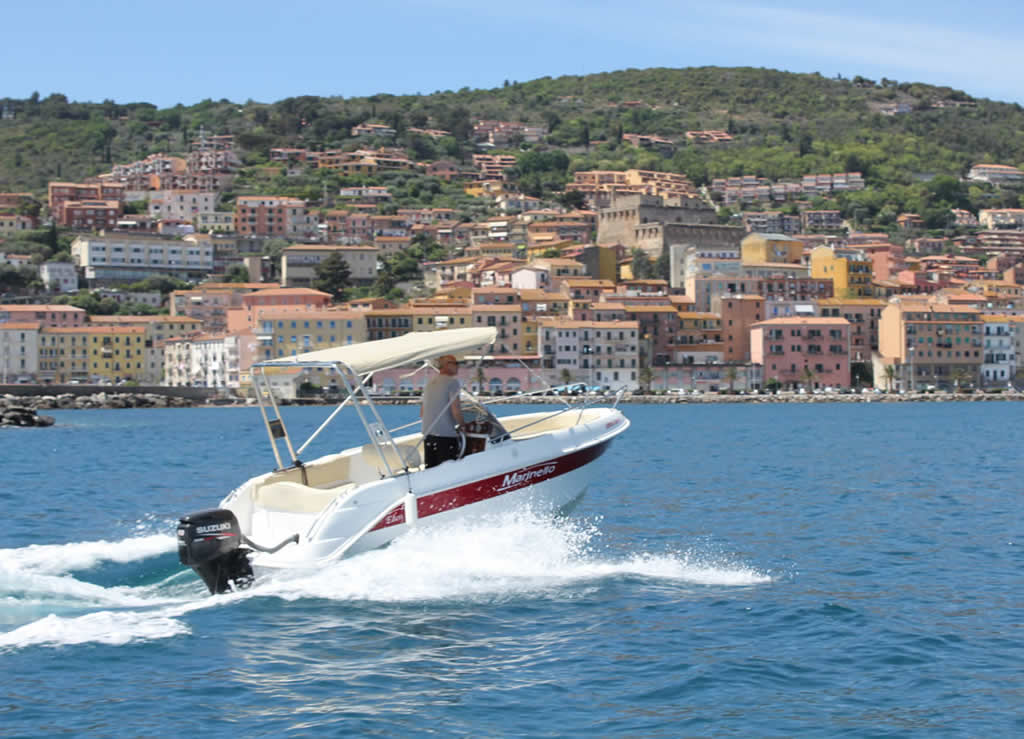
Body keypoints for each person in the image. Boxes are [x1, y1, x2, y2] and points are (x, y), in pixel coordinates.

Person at [420, 354, 464, 468]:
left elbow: (422, 413)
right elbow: (456, 411)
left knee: (431, 470)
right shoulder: (452, 382)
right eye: (456, 364)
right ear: (446, 365)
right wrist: (464, 426)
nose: (458, 367)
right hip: (445, 437)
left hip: (428, 435)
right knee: (448, 471)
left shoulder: (429, 384)